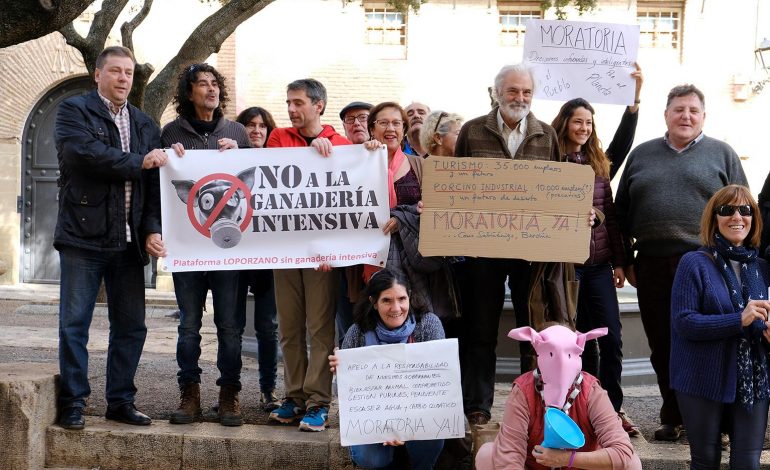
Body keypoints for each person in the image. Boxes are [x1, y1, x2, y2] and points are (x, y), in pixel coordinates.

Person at [615, 84, 748, 441]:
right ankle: (673, 415)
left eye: (693, 110)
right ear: (666, 115)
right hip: (653, 264)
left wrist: (738, 264)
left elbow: (743, 210)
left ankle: (714, 422)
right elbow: (620, 211)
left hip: (708, 263)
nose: (685, 116)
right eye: (679, 109)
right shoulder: (641, 155)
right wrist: (624, 260)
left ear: (703, 116)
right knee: (663, 343)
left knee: (710, 340)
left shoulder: (722, 154)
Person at [54, 45, 167, 430]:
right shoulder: (74, 111)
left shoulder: (144, 122)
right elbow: (81, 154)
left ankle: (120, 402)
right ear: (98, 75)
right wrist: (139, 161)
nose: (123, 79)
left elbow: (153, 184)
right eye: (116, 71)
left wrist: (152, 228)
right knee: (74, 324)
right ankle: (73, 402)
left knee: (132, 326)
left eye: (128, 73)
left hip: (129, 242)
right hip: (81, 237)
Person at [453, 63, 564, 426]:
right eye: (513, 91)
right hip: (482, 251)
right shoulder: (471, 131)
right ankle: (478, 406)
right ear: (497, 93)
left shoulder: (547, 135)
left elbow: (558, 189)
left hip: (530, 252)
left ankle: (532, 405)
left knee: (532, 329)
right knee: (480, 328)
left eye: (526, 92)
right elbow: (456, 188)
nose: (520, 98)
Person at [550, 64, 643, 436]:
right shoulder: (549, 162)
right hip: (564, 267)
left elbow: (613, 215)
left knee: (612, 340)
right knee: (577, 342)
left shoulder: (599, 164)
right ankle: (578, 409)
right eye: (578, 121)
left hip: (599, 265)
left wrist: (633, 105)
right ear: (565, 124)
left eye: (589, 122)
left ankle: (613, 410)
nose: (584, 127)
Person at [160, 63, 251, 427]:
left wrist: (242, 154)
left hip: (230, 253)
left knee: (229, 326)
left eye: (215, 84)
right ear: (189, 92)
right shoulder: (170, 132)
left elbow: (256, 185)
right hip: (189, 250)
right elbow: (162, 186)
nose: (211, 90)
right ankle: (190, 393)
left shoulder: (237, 131)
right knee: (189, 326)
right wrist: (172, 160)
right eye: (202, 84)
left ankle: (229, 394)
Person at [266, 78, 350, 432]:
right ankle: (294, 397)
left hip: (321, 256)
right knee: (288, 328)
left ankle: (317, 402)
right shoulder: (278, 138)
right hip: (284, 253)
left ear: (318, 106)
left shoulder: (342, 144)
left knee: (319, 328)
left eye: (298, 102)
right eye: (288, 102)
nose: (290, 109)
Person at [671, 185, 770, 469]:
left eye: (745, 210)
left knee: (748, 463)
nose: (737, 216)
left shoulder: (762, 268)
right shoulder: (694, 263)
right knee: (706, 460)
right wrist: (739, 319)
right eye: (727, 210)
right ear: (714, 218)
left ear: (754, 218)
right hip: (702, 376)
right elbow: (684, 322)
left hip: (754, 379)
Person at [475, 325, 642, 469]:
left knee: (632, 464)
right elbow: (510, 454)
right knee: (487, 455)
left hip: (582, 468)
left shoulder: (592, 392)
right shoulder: (523, 391)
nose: (560, 368)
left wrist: (567, 459)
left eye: (569, 356)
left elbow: (623, 452)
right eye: (551, 356)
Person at [329, 269, 445, 470]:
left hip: (419, 415)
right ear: (374, 302)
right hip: (372, 419)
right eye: (387, 301)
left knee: (432, 437)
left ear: (410, 297)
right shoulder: (358, 331)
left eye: (402, 299)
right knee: (371, 459)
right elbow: (346, 397)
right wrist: (341, 373)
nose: (396, 308)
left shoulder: (428, 325)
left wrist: (404, 424)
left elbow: (441, 385)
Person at [366, 101, 459, 323]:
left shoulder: (421, 165)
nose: (391, 129)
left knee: (421, 321)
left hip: (417, 262)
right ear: (372, 129)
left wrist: (402, 218)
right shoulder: (357, 163)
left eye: (397, 123)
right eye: (383, 123)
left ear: (404, 130)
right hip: (371, 259)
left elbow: (437, 208)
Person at [235, 106, 281, 411]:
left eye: (262, 126)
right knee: (232, 326)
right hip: (235, 259)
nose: (256, 131)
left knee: (267, 327)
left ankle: (268, 390)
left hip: (269, 260)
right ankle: (231, 391)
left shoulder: (281, 162)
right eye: (250, 125)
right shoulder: (227, 159)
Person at [336, 101, 373, 345]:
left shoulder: (387, 154)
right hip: (344, 259)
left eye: (362, 117)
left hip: (378, 257)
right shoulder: (333, 157)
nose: (356, 123)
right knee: (347, 323)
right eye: (350, 120)